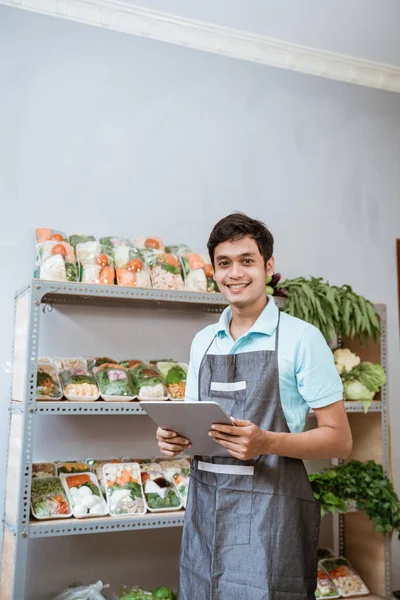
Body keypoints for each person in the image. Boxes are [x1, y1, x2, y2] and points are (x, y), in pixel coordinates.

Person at [156, 213, 353, 600]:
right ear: (213, 271)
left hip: (270, 517)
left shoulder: (301, 338)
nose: (235, 274)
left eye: (247, 260)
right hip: (206, 512)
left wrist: (265, 443)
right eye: (224, 263)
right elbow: (197, 427)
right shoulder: (204, 341)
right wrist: (174, 439)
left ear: (268, 266)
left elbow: (340, 440)